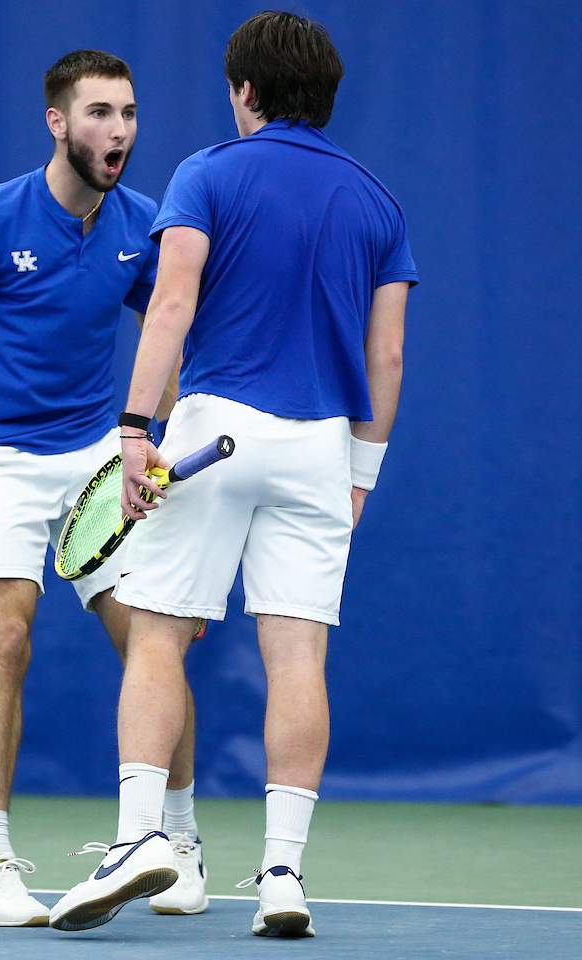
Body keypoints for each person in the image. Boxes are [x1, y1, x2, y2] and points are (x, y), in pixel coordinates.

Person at [49, 12, 418, 935]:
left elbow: (171, 303)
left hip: (216, 432)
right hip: (321, 450)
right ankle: (284, 876)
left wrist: (135, 427)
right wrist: (361, 472)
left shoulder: (206, 173)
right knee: (298, 653)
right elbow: (389, 362)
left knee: (160, 638)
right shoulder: (377, 202)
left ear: (245, 93)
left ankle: (142, 839)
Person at [0, 50, 208, 927]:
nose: (120, 132)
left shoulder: (140, 226)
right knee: (7, 636)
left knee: (155, 640)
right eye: (101, 114)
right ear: (57, 122)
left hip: (98, 462)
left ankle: (177, 845)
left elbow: (169, 335)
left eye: (131, 115)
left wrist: (154, 446)